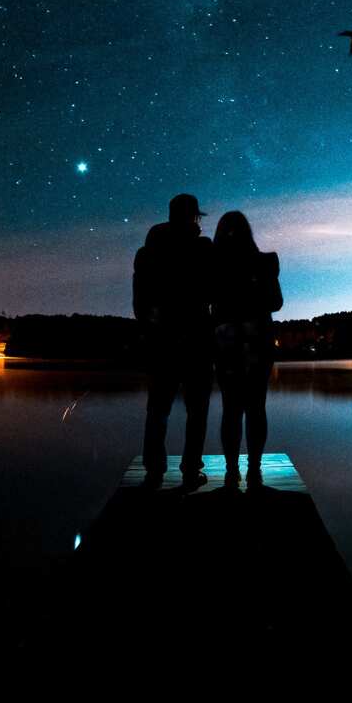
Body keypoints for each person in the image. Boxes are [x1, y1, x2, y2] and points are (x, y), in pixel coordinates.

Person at [132, 194, 215, 489]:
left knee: (158, 409)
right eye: (197, 217)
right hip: (197, 340)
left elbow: (140, 301)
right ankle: (191, 471)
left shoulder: (147, 253)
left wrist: (148, 330)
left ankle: (154, 471)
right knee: (197, 410)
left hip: (161, 341)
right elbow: (213, 294)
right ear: (193, 217)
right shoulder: (204, 249)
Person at [209, 211, 282, 490]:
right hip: (258, 340)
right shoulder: (265, 262)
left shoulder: (214, 265)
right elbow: (275, 302)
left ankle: (232, 472)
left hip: (227, 342)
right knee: (256, 406)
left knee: (231, 407)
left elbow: (208, 302)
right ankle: (253, 471)